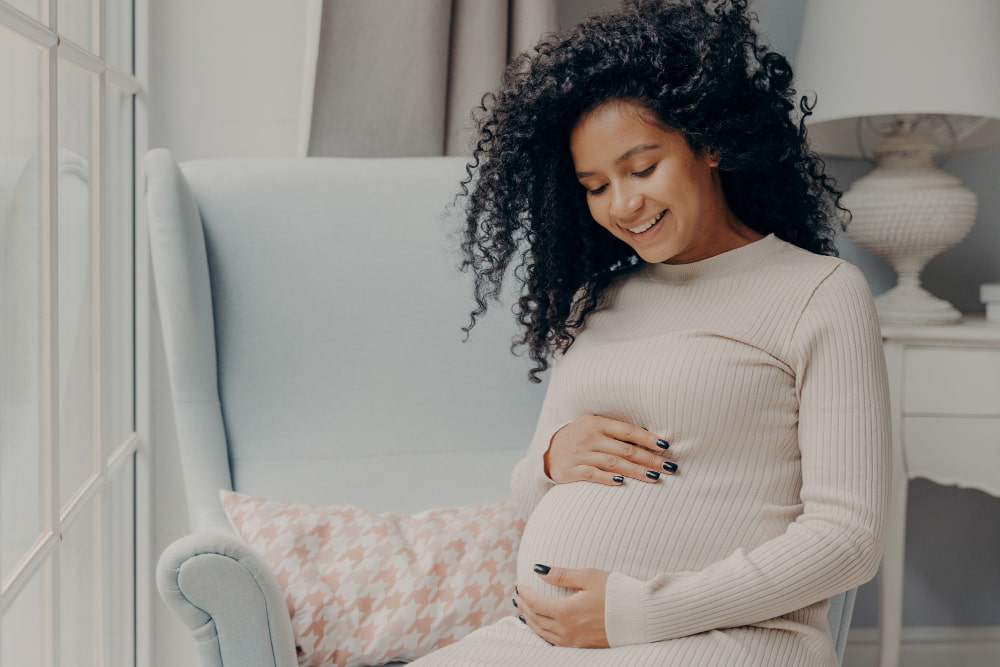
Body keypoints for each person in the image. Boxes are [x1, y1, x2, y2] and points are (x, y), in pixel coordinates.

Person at [411, 0, 890, 664]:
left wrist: (639, 611)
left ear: (710, 142)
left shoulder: (817, 293)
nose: (623, 204)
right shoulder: (593, 300)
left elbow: (848, 538)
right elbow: (528, 491)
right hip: (545, 638)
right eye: (595, 185)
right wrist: (552, 458)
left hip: (728, 637)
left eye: (641, 168)